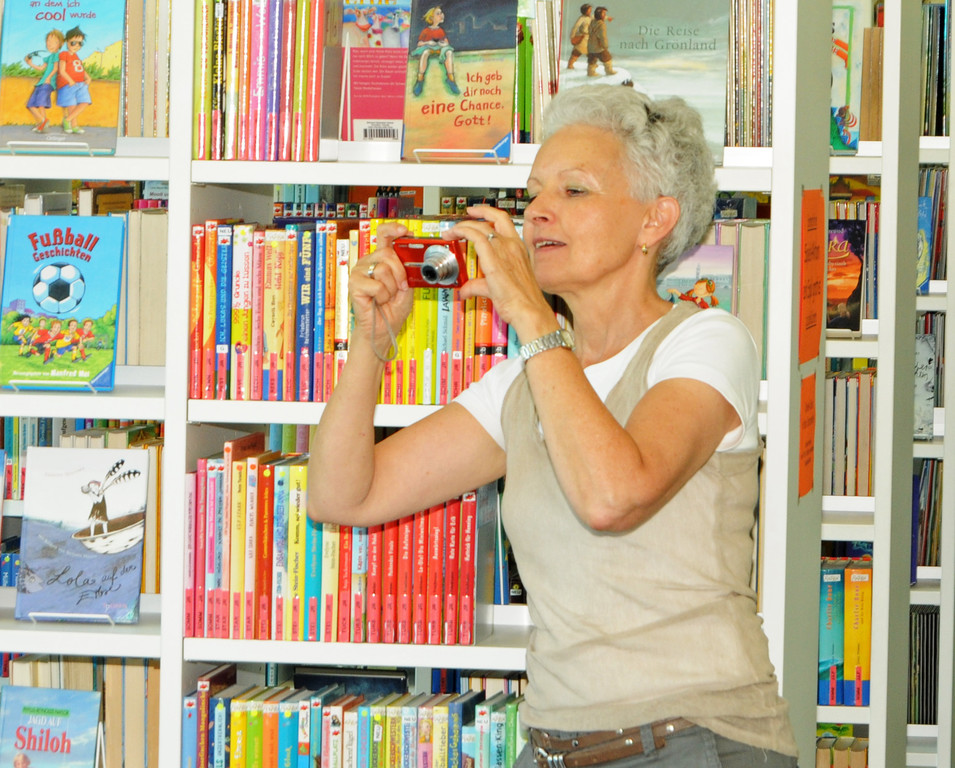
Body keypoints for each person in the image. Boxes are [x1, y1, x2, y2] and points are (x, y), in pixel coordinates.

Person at [307, 85, 798, 765]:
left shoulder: (707, 341)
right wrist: (371, 345)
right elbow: (342, 496)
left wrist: (533, 318)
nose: (537, 211)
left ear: (655, 220)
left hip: (694, 738)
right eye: (533, 193)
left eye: (574, 190)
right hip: (552, 744)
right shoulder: (526, 378)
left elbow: (612, 497)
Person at [410, 6, 459, 97]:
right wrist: (428, 42)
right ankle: (420, 80)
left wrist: (442, 44)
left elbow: (446, 42)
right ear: (432, 18)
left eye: (441, 13)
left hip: (439, 49)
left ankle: (451, 78)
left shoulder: (441, 31)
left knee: (449, 52)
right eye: (438, 14)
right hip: (429, 48)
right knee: (425, 53)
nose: (441, 15)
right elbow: (419, 43)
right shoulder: (426, 31)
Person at [24, 29, 65, 132]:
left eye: (54, 41)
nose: (49, 43)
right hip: (41, 83)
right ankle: (43, 122)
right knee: (32, 105)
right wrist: (30, 63)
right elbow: (41, 68)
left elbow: (55, 69)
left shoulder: (57, 55)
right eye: (48, 41)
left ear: (60, 44)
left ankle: (43, 123)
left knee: (40, 103)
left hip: (48, 83)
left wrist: (48, 78)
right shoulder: (49, 57)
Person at [56, 26, 92, 134]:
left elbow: (80, 68)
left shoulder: (76, 56)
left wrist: (88, 77)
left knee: (85, 101)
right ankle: (74, 126)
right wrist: (70, 80)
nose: (77, 46)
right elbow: (62, 70)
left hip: (80, 83)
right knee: (72, 105)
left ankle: (67, 120)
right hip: (67, 84)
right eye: (73, 43)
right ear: (67, 42)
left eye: (80, 43)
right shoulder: (64, 54)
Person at [587, 6, 615, 77]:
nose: (605, 15)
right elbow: (603, 36)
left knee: (592, 60)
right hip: (598, 47)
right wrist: (605, 45)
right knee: (607, 58)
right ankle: (609, 71)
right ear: (599, 14)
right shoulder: (602, 25)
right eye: (604, 13)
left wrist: (607, 18)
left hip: (590, 46)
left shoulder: (593, 21)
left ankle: (590, 72)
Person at [566, 4, 592, 70]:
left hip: (589, 38)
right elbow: (575, 27)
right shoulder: (581, 18)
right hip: (582, 37)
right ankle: (570, 64)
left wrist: (607, 18)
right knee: (577, 51)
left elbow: (597, 17)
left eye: (590, 9)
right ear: (585, 11)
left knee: (591, 52)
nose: (590, 11)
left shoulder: (591, 17)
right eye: (589, 10)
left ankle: (592, 64)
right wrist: (572, 36)